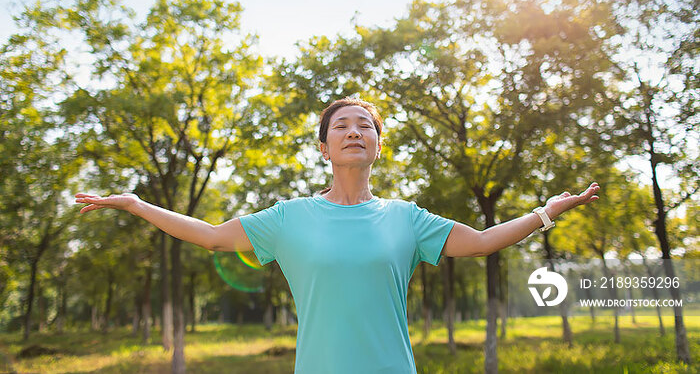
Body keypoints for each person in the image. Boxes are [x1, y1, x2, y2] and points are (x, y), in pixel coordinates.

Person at [75, 96, 600, 374]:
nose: (354, 131)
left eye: (365, 125)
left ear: (377, 144)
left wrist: (545, 213)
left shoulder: (406, 218)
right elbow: (211, 235)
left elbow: (483, 242)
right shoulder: (290, 217)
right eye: (342, 125)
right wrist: (139, 205)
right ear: (324, 147)